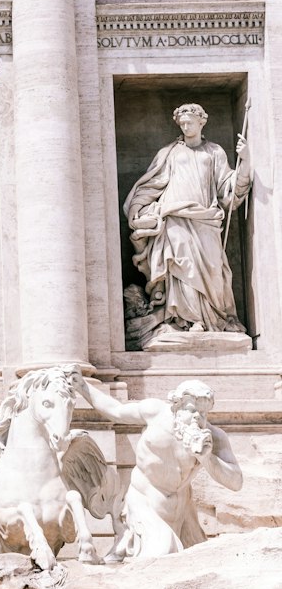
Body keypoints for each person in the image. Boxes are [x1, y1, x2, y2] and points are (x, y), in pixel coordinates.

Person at [74, 373, 241, 558]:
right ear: (176, 406)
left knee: (196, 560)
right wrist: (82, 386)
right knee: (161, 553)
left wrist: (207, 459)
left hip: (183, 511)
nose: (197, 418)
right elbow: (116, 410)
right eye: (191, 410)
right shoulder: (155, 412)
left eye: (203, 413)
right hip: (145, 502)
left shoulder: (214, 437)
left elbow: (236, 482)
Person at [124, 102, 250, 336]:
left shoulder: (214, 152)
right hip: (174, 216)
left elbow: (230, 189)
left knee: (212, 270)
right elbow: (152, 183)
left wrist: (246, 162)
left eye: (189, 122)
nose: (185, 126)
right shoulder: (169, 152)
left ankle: (212, 317)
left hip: (206, 218)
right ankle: (188, 319)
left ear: (201, 122)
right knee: (181, 265)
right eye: (182, 123)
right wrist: (137, 207)